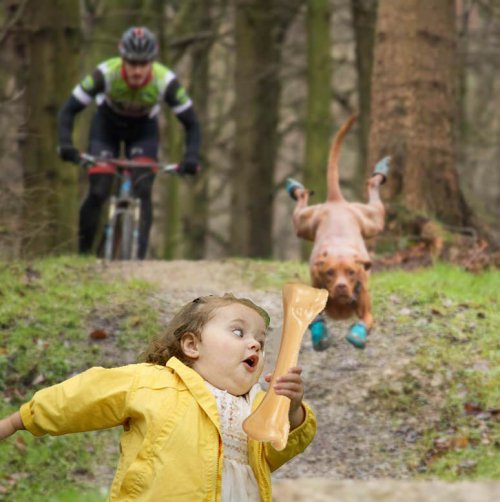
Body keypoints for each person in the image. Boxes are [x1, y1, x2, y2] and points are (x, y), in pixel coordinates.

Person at [0, 294, 316, 501]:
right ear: (192, 346)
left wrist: (291, 411)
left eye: (261, 341)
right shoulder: (154, 382)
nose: (255, 346)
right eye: (238, 332)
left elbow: (273, 452)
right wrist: (18, 420)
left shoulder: (258, 405)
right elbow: (85, 395)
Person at [57, 26, 202, 259]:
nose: (137, 70)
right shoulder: (105, 73)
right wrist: (65, 144)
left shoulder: (165, 81)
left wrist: (192, 157)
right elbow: (68, 110)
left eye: (143, 64)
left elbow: (192, 123)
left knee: (143, 187)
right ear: (122, 59)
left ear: (152, 63)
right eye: (131, 63)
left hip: (143, 131)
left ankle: (139, 261)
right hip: (106, 128)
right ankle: (82, 257)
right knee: (98, 190)